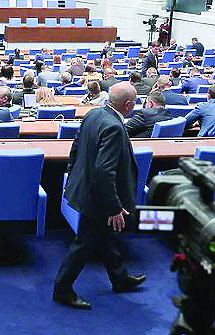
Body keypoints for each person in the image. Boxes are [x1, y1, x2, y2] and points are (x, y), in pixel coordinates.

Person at [54, 82, 145, 309]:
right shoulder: (114, 127)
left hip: (87, 187)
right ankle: (62, 289)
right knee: (84, 244)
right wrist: (113, 207)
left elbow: (75, 147)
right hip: (97, 196)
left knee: (107, 237)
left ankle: (119, 278)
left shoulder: (93, 114)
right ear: (128, 104)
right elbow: (105, 171)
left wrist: (72, 174)